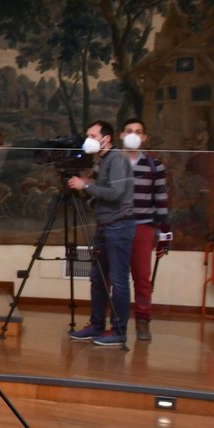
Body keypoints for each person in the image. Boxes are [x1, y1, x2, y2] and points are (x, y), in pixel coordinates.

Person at [66, 121, 134, 348]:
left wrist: (85, 187)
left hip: (119, 226)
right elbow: (100, 194)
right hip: (105, 225)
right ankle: (96, 324)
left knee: (118, 280)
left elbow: (115, 193)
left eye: (93, 135)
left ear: (107, 139)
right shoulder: (102, 161)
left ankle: (118, 330)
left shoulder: (117, 159)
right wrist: (87, 186)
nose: (90, 139)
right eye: (89, 135)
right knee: (98, 278)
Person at [120, 118, 172, 341]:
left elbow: (161, 199)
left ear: (144, 138)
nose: (133, 135)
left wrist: (165, 233)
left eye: (138, 132)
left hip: (143, 226)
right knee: (115, 276)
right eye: (129, 131)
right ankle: (117, 321)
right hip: (115, 227)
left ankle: (143, 320)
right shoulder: (110, 162)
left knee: (142, 276)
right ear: (121, 135)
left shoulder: (154, 165)